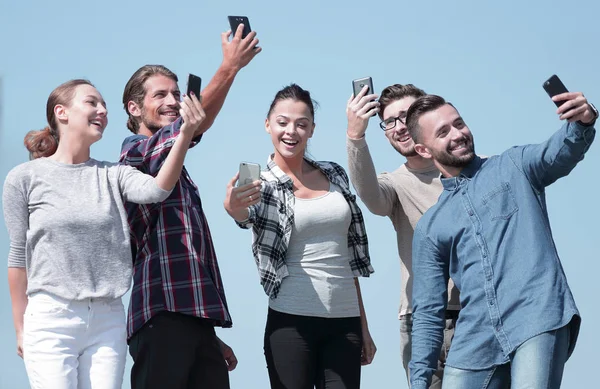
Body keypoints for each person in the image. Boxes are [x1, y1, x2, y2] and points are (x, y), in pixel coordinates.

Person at [3, 79, 203, 389]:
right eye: (92, 102)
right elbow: (18, 256)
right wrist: (20, 328)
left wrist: (186, 132)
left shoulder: (114, 174)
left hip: (107, 318)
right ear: (62, 112)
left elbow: (158, 190)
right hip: (51, 317)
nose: (103, 110)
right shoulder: (24, 178)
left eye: (104, 105)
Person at [406, 91, 597, 389]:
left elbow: (559, 151)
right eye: (443, 132)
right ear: (423, 149)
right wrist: (419, 381)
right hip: (473, 344)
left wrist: (583, 121)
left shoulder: (514, 165)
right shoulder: (431, 227)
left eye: (459, 124)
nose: (458, 134)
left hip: (536, 317)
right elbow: (428, 310)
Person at [118, 24, 259, 389]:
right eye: (159, 94)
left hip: (195, 319)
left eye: (177, 94)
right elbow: (189, 129)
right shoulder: (133, 154)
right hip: (160, 315)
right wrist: (229, 68)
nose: (172, 100)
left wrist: (207, 333)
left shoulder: (179, 172)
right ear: (134, 108)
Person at [224, 84, 377, 389]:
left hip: (345, 322)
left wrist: (364, 325)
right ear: (268, 125)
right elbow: (246, 217)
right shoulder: (262, 185)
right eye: (282, 122)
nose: (291, 131)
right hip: (291, 323)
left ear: (312, 130)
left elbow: (346, 255)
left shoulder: (334, 174)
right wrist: (233, 208)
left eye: (301, 124)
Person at [346, 83, 461, 387]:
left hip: (477, 311)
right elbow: (370, 195)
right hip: (421, 318)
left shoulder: (472, 170)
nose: (399, 127)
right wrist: (356, 136)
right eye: (389, 121)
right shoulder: (394, 184)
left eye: (406, 116)